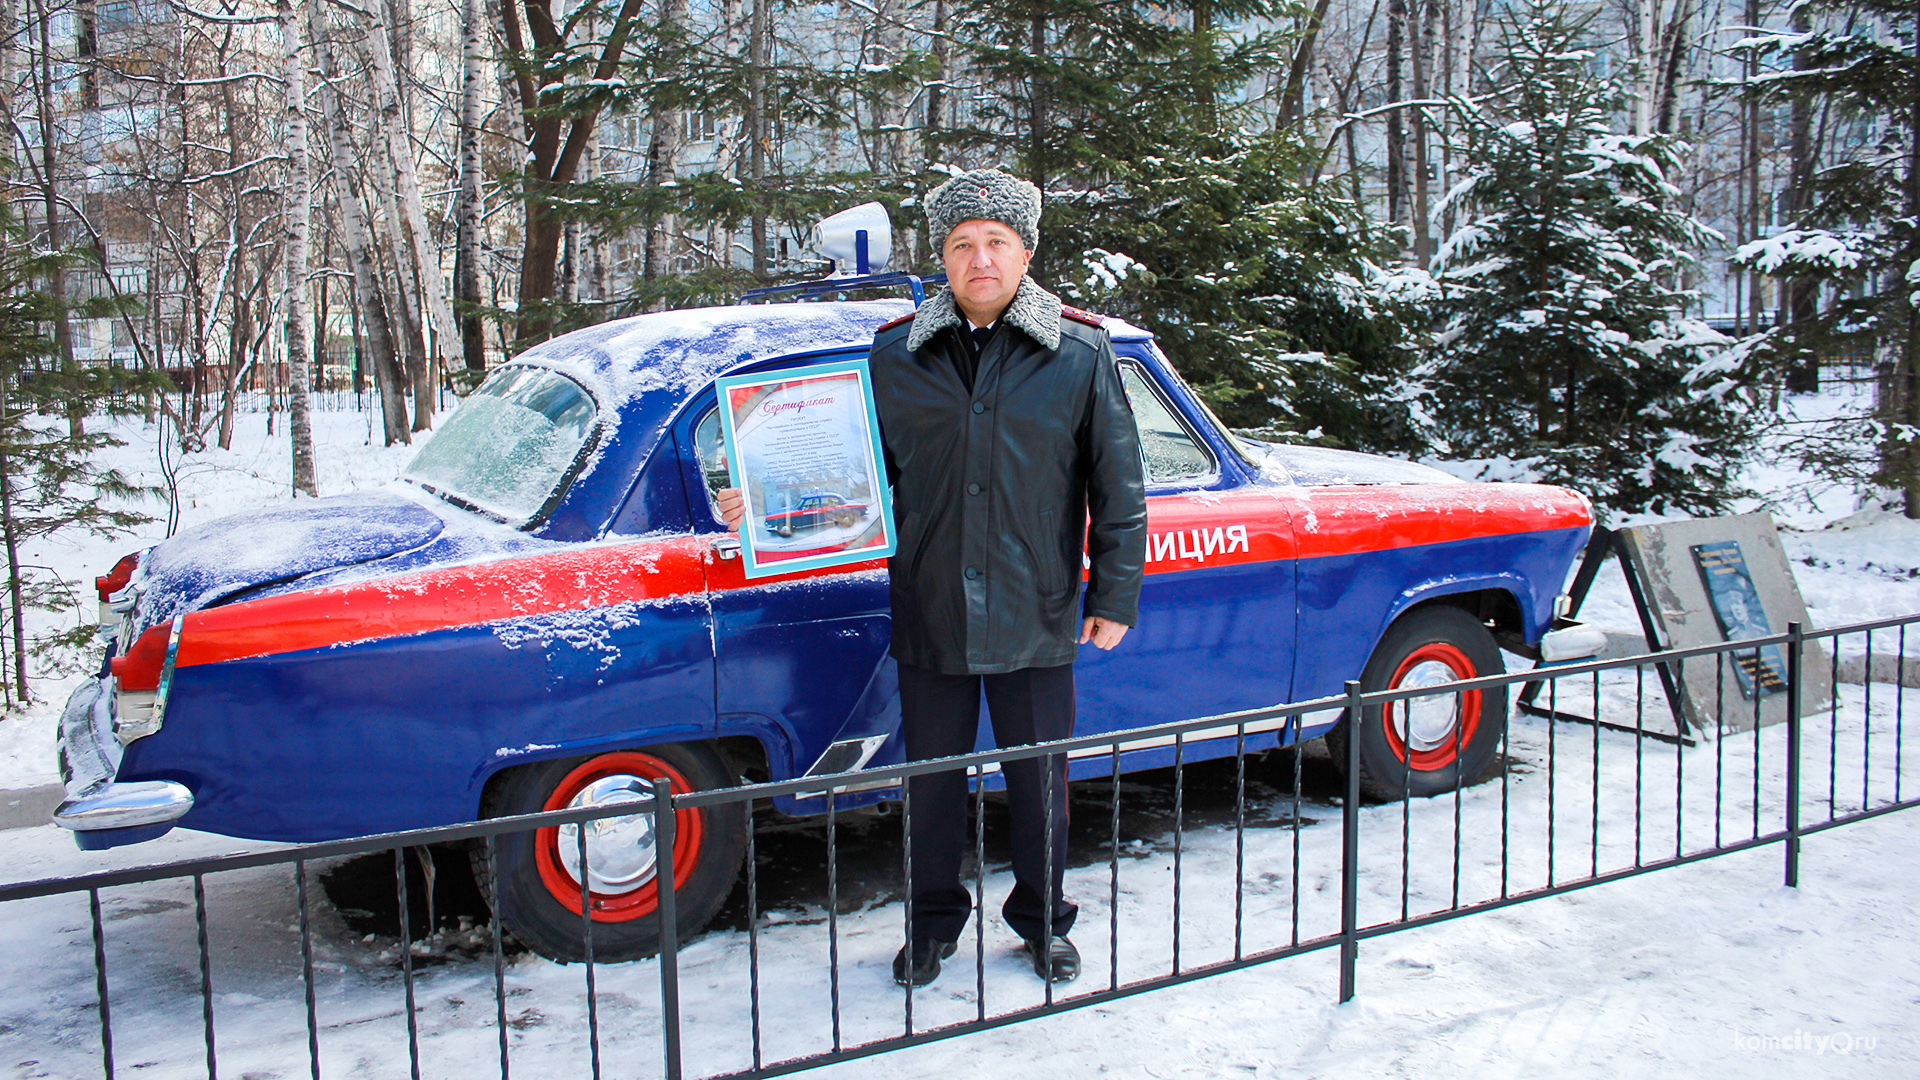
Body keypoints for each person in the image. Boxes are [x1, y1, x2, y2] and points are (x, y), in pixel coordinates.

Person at [720, 168, 1146, 988]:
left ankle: (1043, 920)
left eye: (996, 242)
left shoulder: (1081, 354)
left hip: (1039, 611)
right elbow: (844, 473)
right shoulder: (894, 356)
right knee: (932, 786)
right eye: (962, 245)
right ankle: (931, 925)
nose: (979, 258)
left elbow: (1118, 491)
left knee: (1040, 785)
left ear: (1025, 253)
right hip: (932, 608)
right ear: (944, 260)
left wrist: (1113, 598)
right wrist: (758, 499)